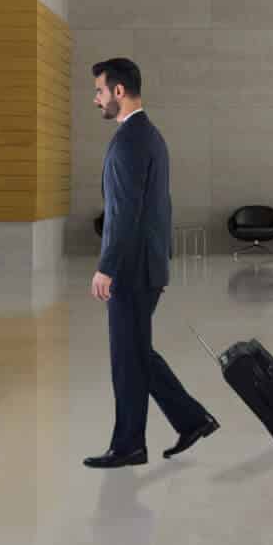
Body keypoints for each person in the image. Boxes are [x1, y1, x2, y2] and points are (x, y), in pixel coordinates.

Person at [85, 57, 219, 469]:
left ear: (119, 91)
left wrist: (106, 265)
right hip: (146, 265)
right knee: (136, 353)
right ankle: (191, 419)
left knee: (128, 358)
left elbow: (125, 213)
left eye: (99, 91)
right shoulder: (149, 135)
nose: (96, 100)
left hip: (132, 269)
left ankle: (129, 445)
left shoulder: (131, 140)